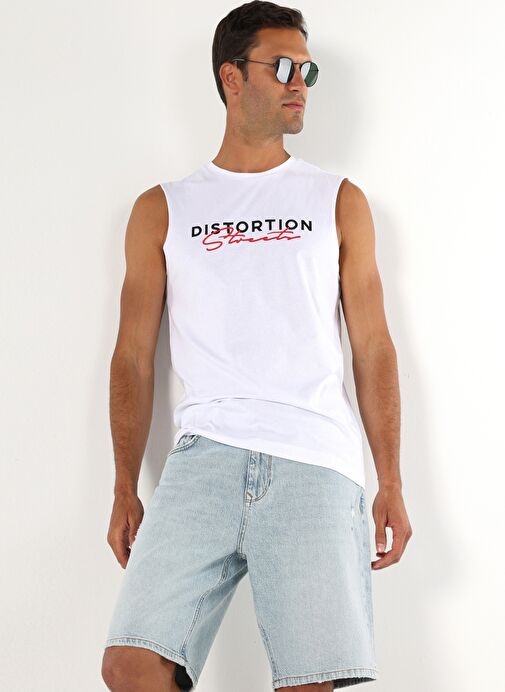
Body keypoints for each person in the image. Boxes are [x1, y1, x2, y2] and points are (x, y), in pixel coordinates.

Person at [101, 1, 413, 690]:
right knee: (130, 664)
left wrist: (390, 479)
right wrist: (124, 484)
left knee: (308, 681)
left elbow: (373, 347)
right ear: (232, 77)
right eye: (283, 67)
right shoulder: (163, 208)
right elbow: (132, 357)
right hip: (203, 459)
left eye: (308, 70)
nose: (300, 83)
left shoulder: (337, 199)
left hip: (314, 460)